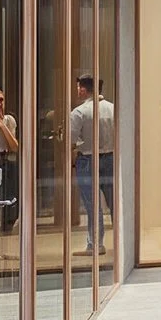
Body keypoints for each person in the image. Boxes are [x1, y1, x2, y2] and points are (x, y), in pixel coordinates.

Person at [68, 76, 115, 255]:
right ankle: (121, 241)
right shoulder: (112, 109)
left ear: (82, 89)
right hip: (110, 157)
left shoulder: (79, 112)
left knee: (92, 204)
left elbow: (71, 140)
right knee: (113, 202)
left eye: (78, 87)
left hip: (87, 159)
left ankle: (95, 243)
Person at [0, 89, 21, 231]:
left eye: (1, 100)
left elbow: (14, 146)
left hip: (5, 159)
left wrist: (2, 126)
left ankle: (8, 222)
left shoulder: (9, 120)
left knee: (9, 192)